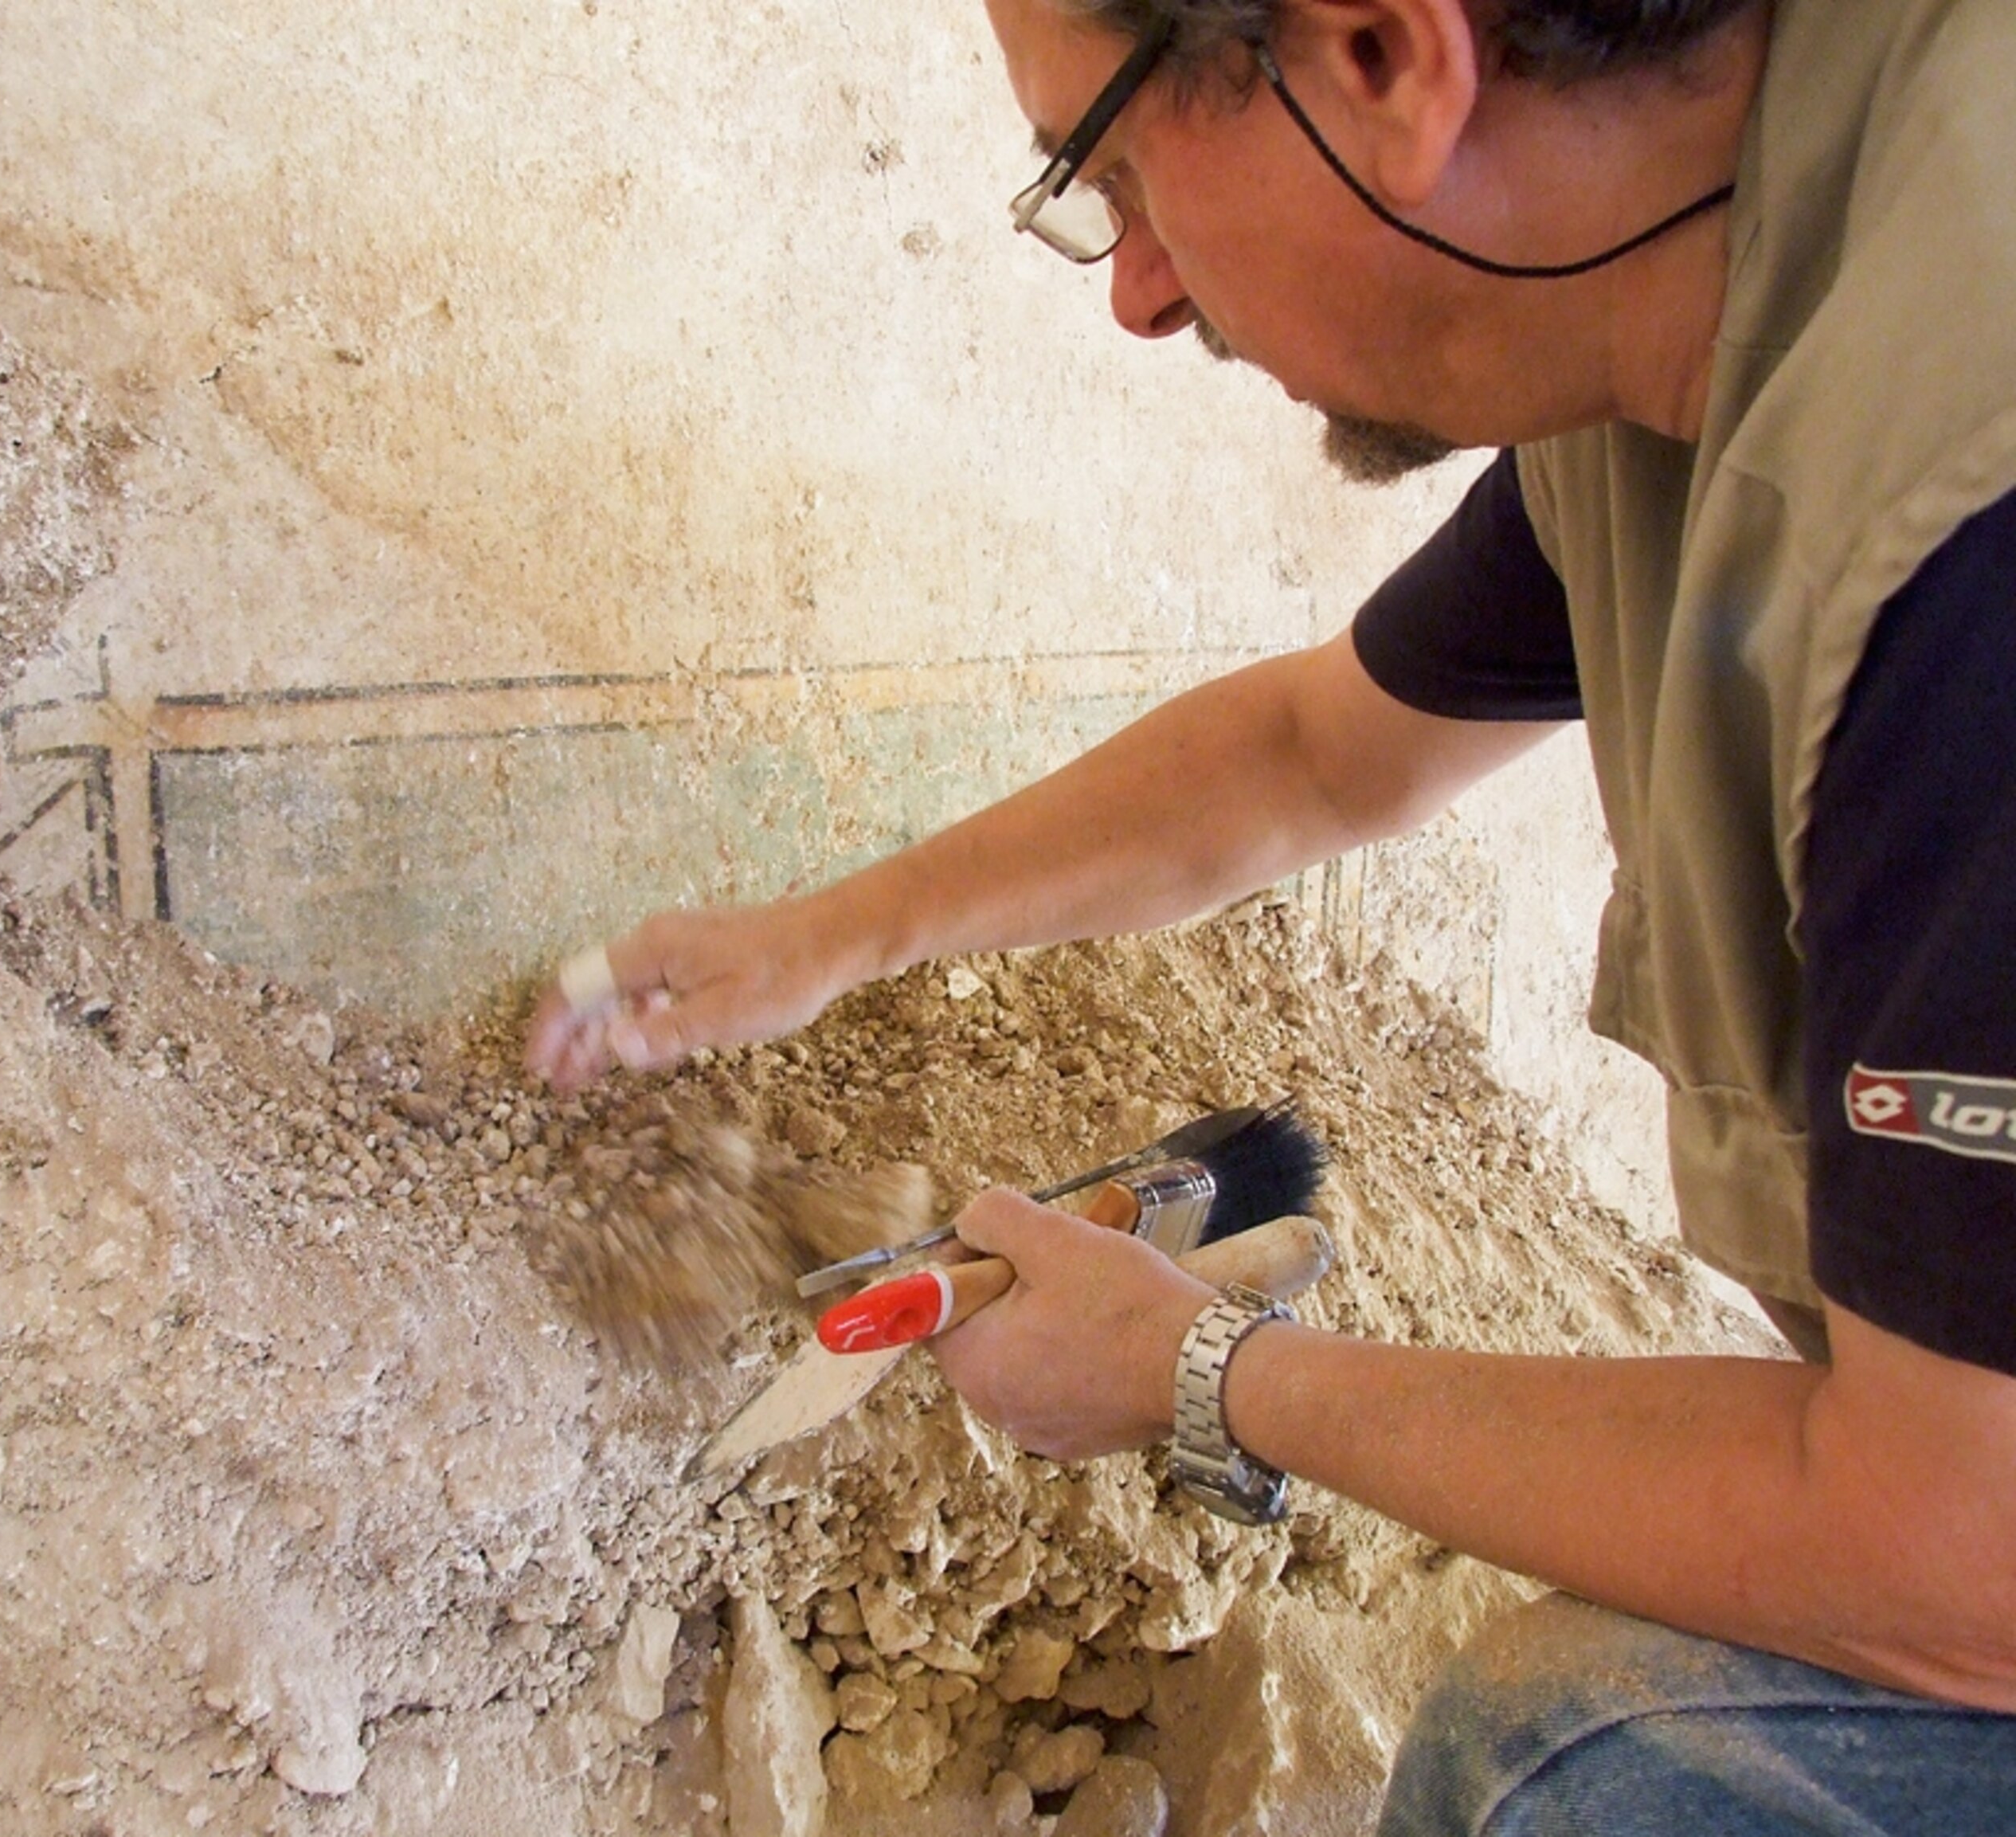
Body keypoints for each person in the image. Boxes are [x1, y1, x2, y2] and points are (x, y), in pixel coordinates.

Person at [527, 1, 2016, 1827]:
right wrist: (837, 931)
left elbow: (1961, 1556)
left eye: (1122, 170)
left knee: (1577, 1767)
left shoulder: (1965, 533)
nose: (1138, 292)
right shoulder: (1687, 298)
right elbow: (1321, 752)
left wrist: (1205, 1364)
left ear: (1386, 56)